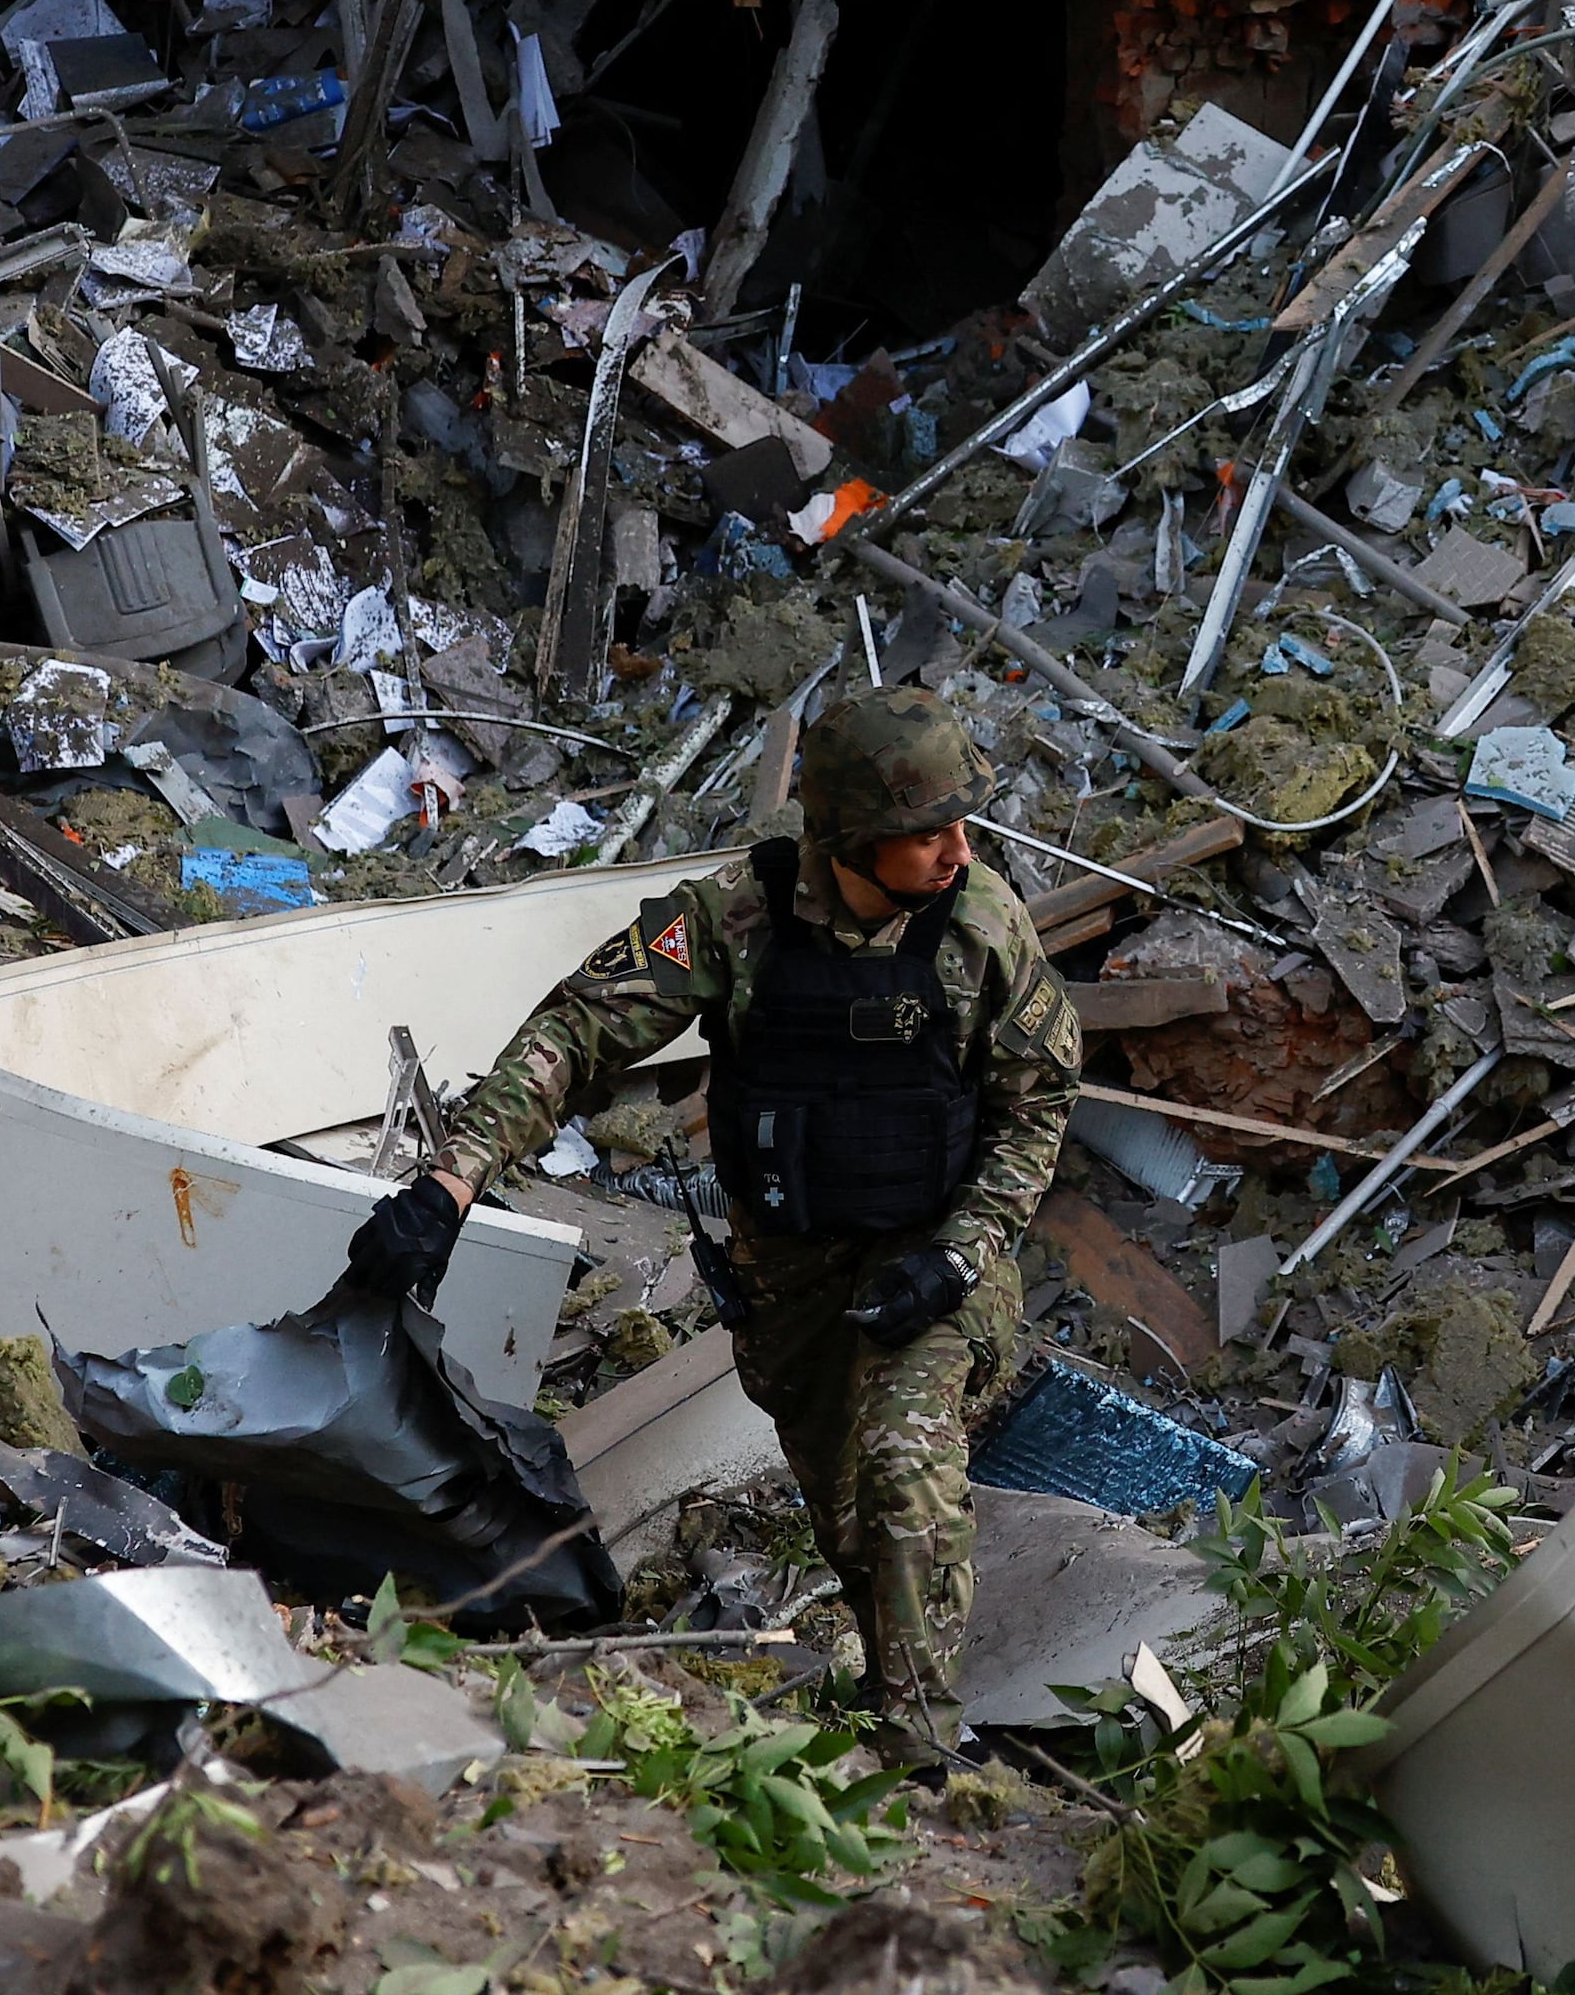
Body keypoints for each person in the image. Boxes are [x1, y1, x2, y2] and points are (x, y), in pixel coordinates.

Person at [346, 685, 1078, 1757]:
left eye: (960, 827)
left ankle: (924, 1757)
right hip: (790, 1277)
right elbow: (579, 1033)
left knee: (903, 1472)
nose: (957, 853)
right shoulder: (739, 913)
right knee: (850, 1523)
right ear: (848, 836)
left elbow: (1038, 1107)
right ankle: (890, 1688)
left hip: (933, 1254)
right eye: (926, 834)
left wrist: (962, 1255)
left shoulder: (980, 927)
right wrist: (447, 1185)